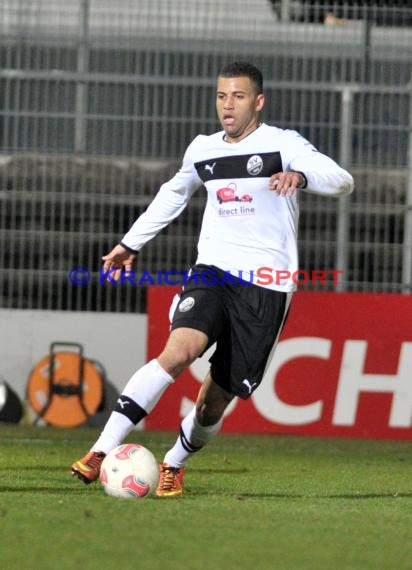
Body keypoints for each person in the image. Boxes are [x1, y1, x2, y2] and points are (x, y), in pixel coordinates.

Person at [71, 61, 354, 497]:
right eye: (222, 96)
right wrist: (131, 243)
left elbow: (342, 181)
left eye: (238, 97)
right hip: (212, 271)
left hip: (266, 283)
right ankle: (101, 451)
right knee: (177, 351)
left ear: (258, 102)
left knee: (213, 402)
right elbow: (173, 194)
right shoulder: (203, 148)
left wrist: (302, 175)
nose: (228, 105)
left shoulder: (283, 144)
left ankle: (174, 462)